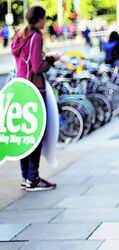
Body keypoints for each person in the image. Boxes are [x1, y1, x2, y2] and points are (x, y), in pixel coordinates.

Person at [11, 5, 59, 191]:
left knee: (25, 132)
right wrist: (52, 60)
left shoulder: (20, 35)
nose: (45, 21)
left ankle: (25, 177)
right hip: (36, 88)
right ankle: (34, 178)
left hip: (21, 88)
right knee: (36, 133)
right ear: (39, 19)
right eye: (44, 18)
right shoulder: (36, 37)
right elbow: (37, 67)